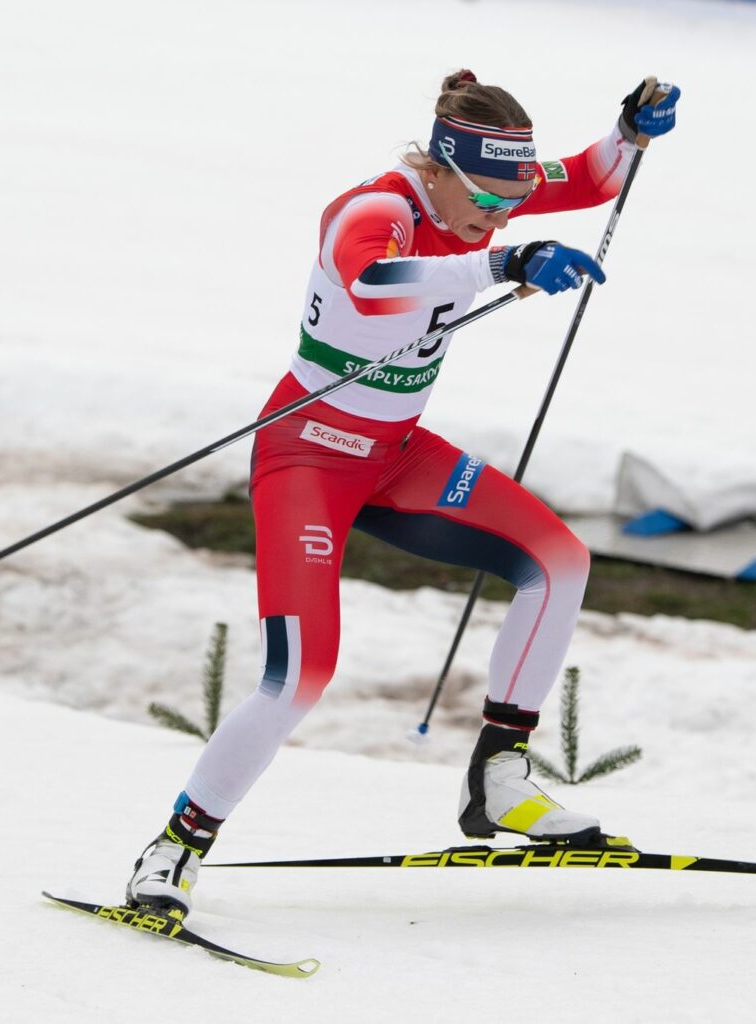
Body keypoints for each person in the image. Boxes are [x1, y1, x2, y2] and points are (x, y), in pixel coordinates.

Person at [125, 70, 681, 917]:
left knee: (560, 561)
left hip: (396, 454)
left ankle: (500, 778)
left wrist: (631, 129)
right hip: (309, 454)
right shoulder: (376, 210)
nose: (498, 214)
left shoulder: (485, 196)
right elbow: (375, 283)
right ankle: (173, 849)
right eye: (485, 201)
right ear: (442, 168)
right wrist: (505, 260)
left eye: (511, 204)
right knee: (301, 673)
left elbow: (597, 175)